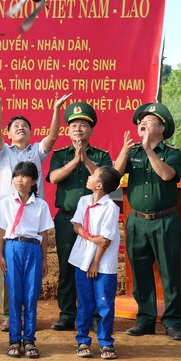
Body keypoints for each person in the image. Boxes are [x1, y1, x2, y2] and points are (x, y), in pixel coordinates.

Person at [0, 89, 71, 332]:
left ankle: (28, 314)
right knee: (7, 268)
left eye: (25, 125)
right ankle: (7, 314)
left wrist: (56, 110)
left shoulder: (36, 151)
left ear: (30, 131)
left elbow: (53, 136)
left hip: (33, 213)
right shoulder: (3, 152)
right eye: (15, 125)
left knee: (31, 272)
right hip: (9, 215)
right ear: (9, 132)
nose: (20, 127)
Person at [114, 102, 181, 340]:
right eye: (141, 121)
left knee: (169, 273)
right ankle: (145, 320)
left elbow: (167, 175)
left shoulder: (172, 153)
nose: (143, 123)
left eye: (150, 120)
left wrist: (149, 151)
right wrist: (125, 151)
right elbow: (114, 178)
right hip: (136, 221)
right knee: (140, 273)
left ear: (162, 129)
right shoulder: (132, 151)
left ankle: (173, 322)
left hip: (164, 220)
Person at [46, 102, 111, 332]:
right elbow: (53, 178)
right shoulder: (61, 155)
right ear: (67, 130)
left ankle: (93, 314)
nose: (78, 129)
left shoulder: (101, 156)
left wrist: (86, 160)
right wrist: (75, 160)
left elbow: (107, 179)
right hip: (66, 219)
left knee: (95, 266)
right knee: (67, 268)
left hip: (95, 221)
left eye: (83, 125)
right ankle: (67, 314)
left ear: (91, 130)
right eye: (73, 126)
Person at [0, 161, 54, 359]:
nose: (20, 180)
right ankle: (13, 340)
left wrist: (44, 259)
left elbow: (43, 233)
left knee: (30, 296)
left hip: (33, 249)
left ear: (34, 181)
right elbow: (1, 230)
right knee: (14, 295)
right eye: (16, 176)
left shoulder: (41, 205)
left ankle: (29, 339)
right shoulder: (5, 203)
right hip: (12, 247)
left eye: (25, 176)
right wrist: (0, 254)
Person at [69, 166, 122, 360]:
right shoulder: (84, 201)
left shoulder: (111, 208)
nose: (88, 177)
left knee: (105, 303)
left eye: (92, 176)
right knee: (84, 302)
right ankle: (82, 339)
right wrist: (92, 239)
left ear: (99, 185)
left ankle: (106, 341)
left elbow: (106, 240)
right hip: (82, 260)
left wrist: (95, 263)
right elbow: (76, 225)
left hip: (103, 264)